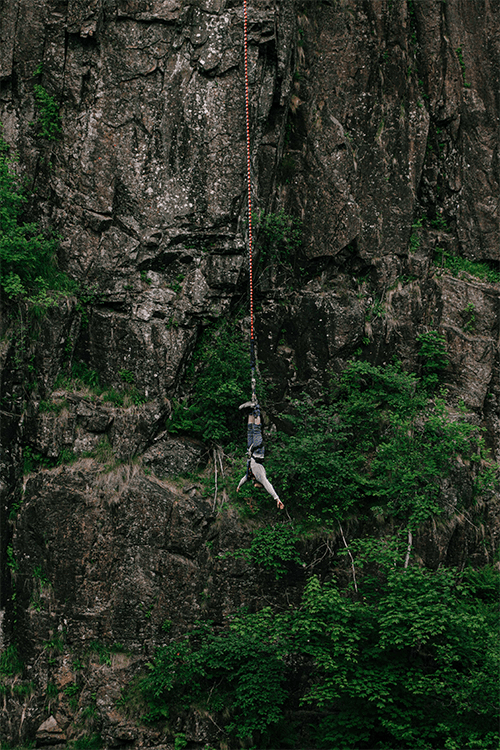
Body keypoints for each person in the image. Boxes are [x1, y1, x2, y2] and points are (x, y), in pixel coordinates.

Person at [236, 401, 284, 510]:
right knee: (257, 430)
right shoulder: (261, 477)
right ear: (259, 484)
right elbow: (268, 486)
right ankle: (256, 408)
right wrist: (277, 498)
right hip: (257, 451)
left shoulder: (250, 476)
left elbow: (243, 479)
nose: (254, 485)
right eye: (256, 486)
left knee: (250, 430)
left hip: (251, 450)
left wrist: (238, 486)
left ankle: (250, 412)